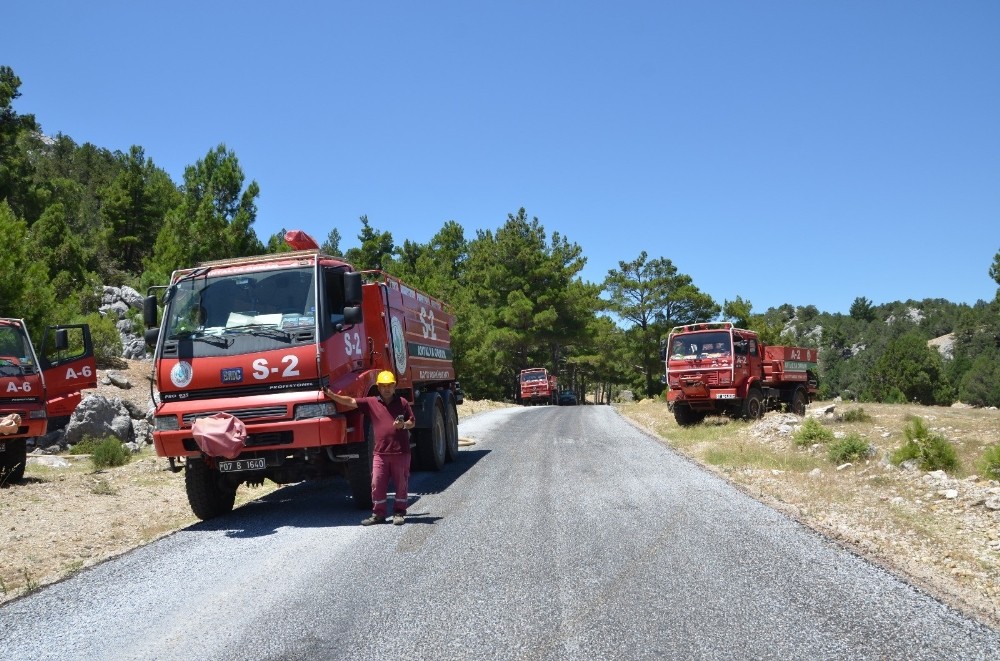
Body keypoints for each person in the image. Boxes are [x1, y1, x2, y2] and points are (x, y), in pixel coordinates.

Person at [324, 370, 415, 526]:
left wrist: (403, 425)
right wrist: (332, 395)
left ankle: (399, 513)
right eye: (383, 386)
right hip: (380, 453)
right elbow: (350, 401)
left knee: (401, 483)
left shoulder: (403, 403)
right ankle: (378, 514)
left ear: (394, 386)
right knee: (377, 483)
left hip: (401, 452)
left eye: (389, 385)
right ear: (378, 387)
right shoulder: (371, 402)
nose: (386, 389)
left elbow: (412, 422)